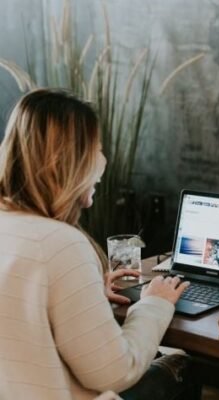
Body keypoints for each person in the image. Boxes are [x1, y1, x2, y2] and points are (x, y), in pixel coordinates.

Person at [0, 89, 198, 400]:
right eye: (97, 148)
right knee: (182, 367)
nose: (103, 161)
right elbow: (116, 372)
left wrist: (87, 290)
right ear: (69, 160)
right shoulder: (60, 243)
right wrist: (154, 304)